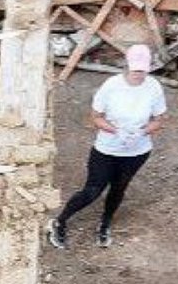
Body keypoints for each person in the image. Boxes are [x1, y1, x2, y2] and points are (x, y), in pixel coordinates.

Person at [46, 44, 167, 250]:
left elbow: (160, 119)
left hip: (136, 151)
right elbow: (95, 117)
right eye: (135, 69)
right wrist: (115, 130)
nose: (139, 74)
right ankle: (60, 220)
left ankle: (105, 223)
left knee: (119, 188)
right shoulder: (111, 86)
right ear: (127, 66)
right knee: (93, 190)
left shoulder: (153, 87)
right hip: (107, 149)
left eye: (143, 70)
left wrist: (142, 131)